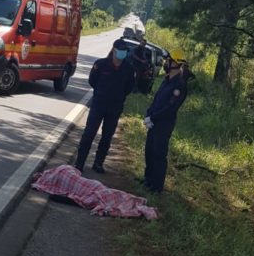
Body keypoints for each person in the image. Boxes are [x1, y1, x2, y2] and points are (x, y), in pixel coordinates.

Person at [74, 38, 136, 174]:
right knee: (89, 133)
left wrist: (117, 96)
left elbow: (129, 88)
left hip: (115, 107)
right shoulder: (101, 64)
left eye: (124, 51)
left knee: (107, 136)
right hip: (99, 104)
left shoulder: (129, 69)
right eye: (120, 51)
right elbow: (92, 81)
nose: (122, 54)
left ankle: (98, 163)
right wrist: (102, 93)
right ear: (114, 50)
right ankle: (79, 163)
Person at [142, 55, 188, 193]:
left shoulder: (179, 85)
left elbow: (170, 108)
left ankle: (157, 186)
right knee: (149, 150)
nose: (166, 63)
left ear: (176, 63)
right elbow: (157, 100)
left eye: (169, 60)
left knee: (159, 153)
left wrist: (154, 118)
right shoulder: (166, 79)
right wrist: (148, 114)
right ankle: (148, 179)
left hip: (164, 124)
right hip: (154, 120)